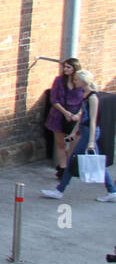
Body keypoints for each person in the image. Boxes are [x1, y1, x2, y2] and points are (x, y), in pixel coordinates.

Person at [41, 70, 116, 201]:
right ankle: (112, 191)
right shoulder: (85, 95)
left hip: (89, 133)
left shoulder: (93, 97)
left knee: (75, 161)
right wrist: (73, 132)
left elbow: (93, 120)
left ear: (83, 81)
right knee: (93, 162)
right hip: (85, 131)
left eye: (76, 80)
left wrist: (91, 141)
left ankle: (59, 190)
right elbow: (82, 116)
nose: (74, 81)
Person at [46, 57, 86, 178]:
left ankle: (67, 165)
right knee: (60, 143)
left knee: (73, 145)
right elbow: (54, 99)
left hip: (76, 117)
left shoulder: (80, 82)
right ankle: (62, 168)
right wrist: (65, 113)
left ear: (75, 68)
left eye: (69, 67)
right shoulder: (59, 81)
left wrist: (78, 114)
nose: (65, 69)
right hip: (59, 115)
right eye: (65, 66)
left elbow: (85, 100)